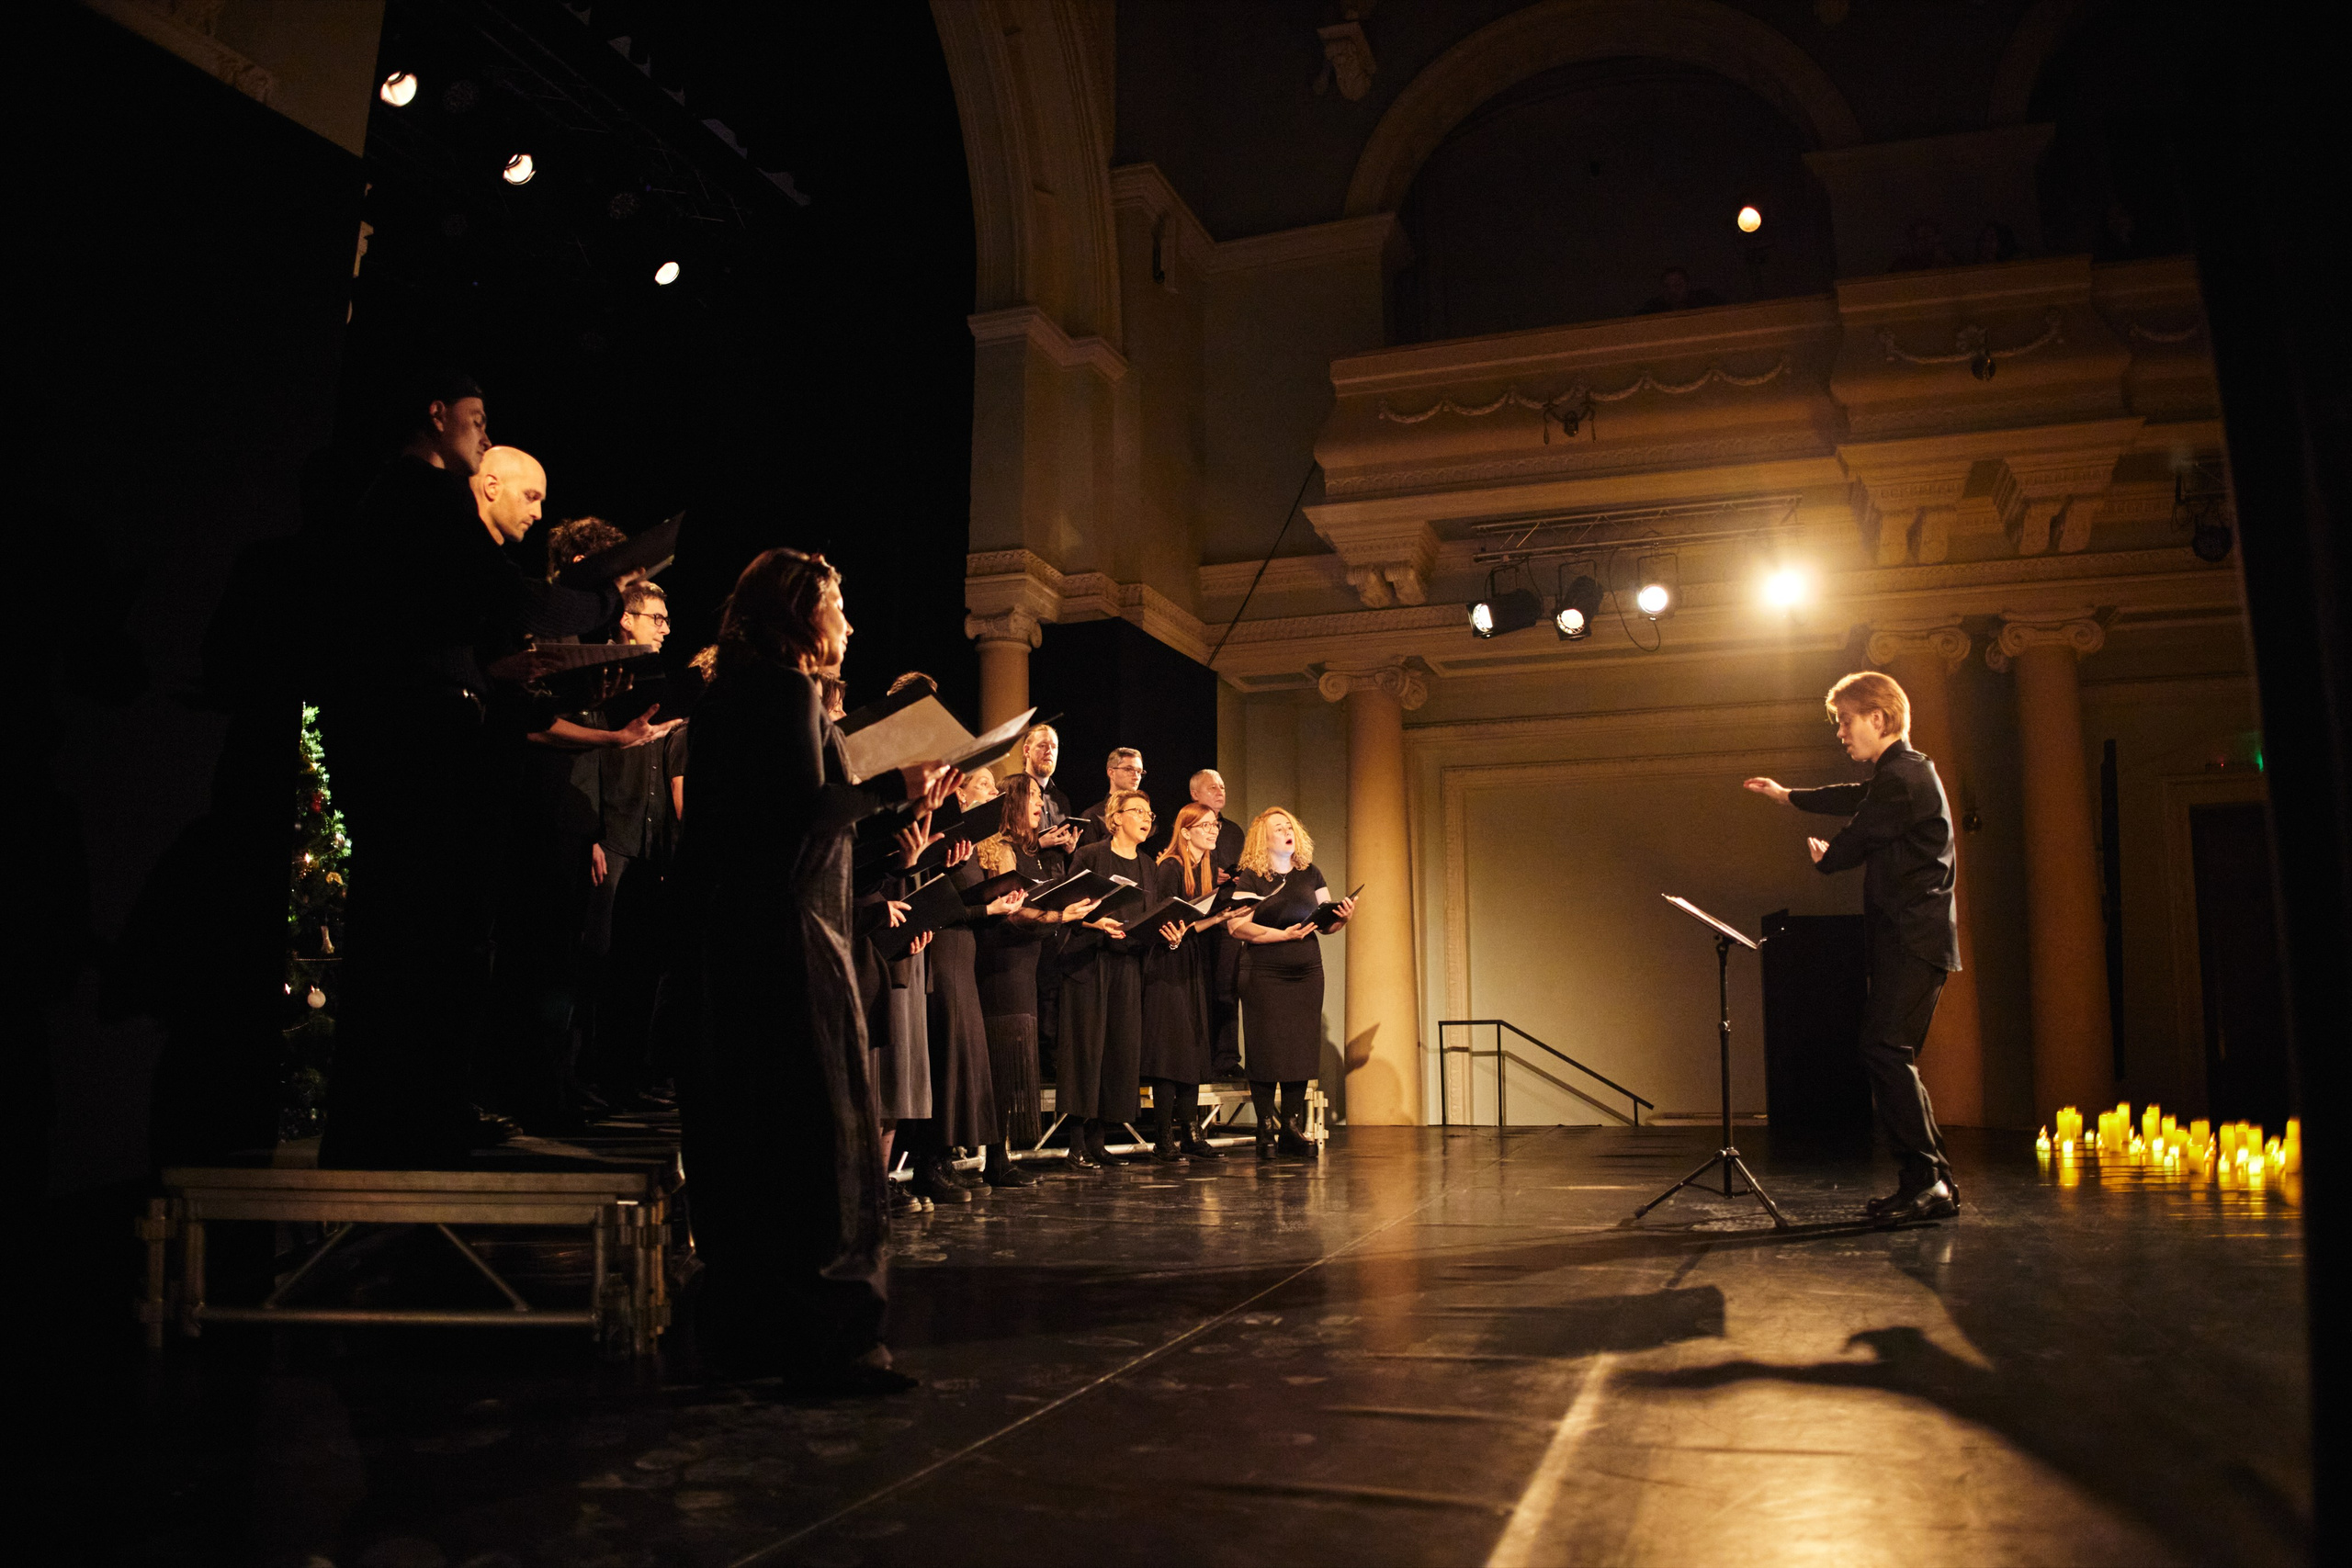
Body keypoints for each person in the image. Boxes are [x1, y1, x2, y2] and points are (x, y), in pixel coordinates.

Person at [670, 547, 956, 1393]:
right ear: (802, 612)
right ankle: (833, 1339)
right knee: (818, 1137)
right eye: (838, 604)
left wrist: (892, 803)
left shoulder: (734, 692)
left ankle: (754, 1334)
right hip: (789, 942)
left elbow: (784, 824)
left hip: (737, 941)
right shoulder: (786, 691)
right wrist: (892, 781)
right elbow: (801, 813)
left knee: (752, 1142)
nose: (850, 622)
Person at [316, 380, 615, 1167]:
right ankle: (411, 1120)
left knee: (424, 940)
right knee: (428, 941)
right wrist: (592, 602)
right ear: (434, 413)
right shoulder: (423, 495)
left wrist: (493, 666)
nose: (483, 438)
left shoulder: (408, 501)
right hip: (422, 750)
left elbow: (447, 616)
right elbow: (496, 594)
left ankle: (406, 1116)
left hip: (420, 739)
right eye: (477, 422)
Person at [1742, 671, 1962, 1224]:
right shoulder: (1898, 774)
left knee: (1884, 1051)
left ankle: (1927, 1181)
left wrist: (1828, 858)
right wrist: (1788, 797)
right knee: (1891, 1053)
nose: (1841, 733)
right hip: (1910, 940)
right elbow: (1854, 800)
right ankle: (1931, 1181)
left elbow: (1861, 835)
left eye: (1846, 721)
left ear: (1879, 719)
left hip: (1914, 941)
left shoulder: (1905, 778)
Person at [907, 768, 1033, 1197]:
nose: (993, 792)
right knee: (946, 1055)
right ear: (958, 794)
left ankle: (944, 1160)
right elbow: (937, 906)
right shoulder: (943, 841)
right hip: (941, 953)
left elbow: (966, 901)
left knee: (960, 1059)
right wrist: (988, 911)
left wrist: (997, 902)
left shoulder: (974, 846)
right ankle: (929, 1166)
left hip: (964, 954)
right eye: (983, 784)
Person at [972, 773, 1102, 1175]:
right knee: (1002, 1059)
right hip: (1002, 965)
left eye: (1040, 797)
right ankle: (995, 1158)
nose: (1039, 805)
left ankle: (1001, 1156)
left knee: (1013, 1060)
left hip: (1027, 963)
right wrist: (1062, 914)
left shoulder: (1034, 853)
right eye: (1031, 796)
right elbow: (1013, 913)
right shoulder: (998, 847)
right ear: (1011, 801)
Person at [1227, 807, 1355, 1160]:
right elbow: (1237, 928)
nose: (1286, 831)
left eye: (1289, 826)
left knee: (1301, 1045)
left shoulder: (1309, 872)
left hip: (1306, 971)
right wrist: (1281, 935)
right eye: (1278, 828)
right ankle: (1265, 1125)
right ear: (1263, 838)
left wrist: (1340, 919)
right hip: (1264, 972)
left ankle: (1291, 1126)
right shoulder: (1251, 877)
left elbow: (1324, 923)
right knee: (1266, 1045)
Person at [1057, 788, 1162, 1168]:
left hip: (1127, 966)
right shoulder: (1089, 856)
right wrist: (1095, 922)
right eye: (1138, 811)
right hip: (1090, 963)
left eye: (1150, 814)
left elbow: (1149, 914)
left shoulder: (1149, 866)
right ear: (1115, 818)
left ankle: (1100, 1141)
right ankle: (1076, 1145)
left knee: (1117, 1052)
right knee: (1086, 1051)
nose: (1146, 818)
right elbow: (1067, 908)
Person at [1142, 802, 1248, 1161]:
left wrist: (1221, 918)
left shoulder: (1206, 868)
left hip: (1189, 958)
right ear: (1185, 831)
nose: (1213, 830)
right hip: (1166, 961)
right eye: (1204, 825)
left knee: (1190, 1047)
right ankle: (1162, 1138)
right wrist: (1176, 933)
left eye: (1215, 825)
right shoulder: (1170, 866)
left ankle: (1190, 1132)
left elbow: (1192, 924)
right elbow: (1162, 918)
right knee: (1169, 1051)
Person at [1188, 769, 1249, 1078]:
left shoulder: (1235, 831)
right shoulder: (1187, 827)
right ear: (1195, 794)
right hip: (1196, 920)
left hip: (1226, 916)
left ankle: (1226, 1058)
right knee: (1197, 988)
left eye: (1223, 786)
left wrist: (1233, 876)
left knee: (1227, 988)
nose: (1220, 791)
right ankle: (1198, 1057)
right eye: (1212, 787)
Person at [1079, 748, 1147, 841]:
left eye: (1139, 772)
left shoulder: (1144, 816)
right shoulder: (1092, 816)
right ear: (1111, 772)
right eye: (1128, 769)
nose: (1136, 777)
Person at [1637, 265, 1723, 314]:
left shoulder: (1706, 301)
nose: (1672, 291)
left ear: (1688, 286)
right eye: (1667, 287)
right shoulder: (1653, 309)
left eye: (1678, 285)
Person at [1889, 220, 1956, 272]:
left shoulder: (1950, 260)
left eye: (1929, 237)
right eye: (1920, 238)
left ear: (1937, 238)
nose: (1925, 242)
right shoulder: (1903, 264)